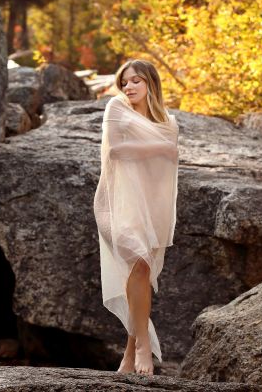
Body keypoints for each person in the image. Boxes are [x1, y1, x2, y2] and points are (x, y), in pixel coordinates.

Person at [93, 58, 179, 376]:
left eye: (135, 81)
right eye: (124, 81)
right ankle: (144, 346)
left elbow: (165, 172)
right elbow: (117, 150)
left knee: (141, 275)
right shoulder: (116, 109)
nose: (128, 87)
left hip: (150, 209)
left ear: (151, 84)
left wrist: (159, 146)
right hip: (114, 204)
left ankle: (129, 354)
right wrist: (159, 145)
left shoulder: (167, 121)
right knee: (139, 265)